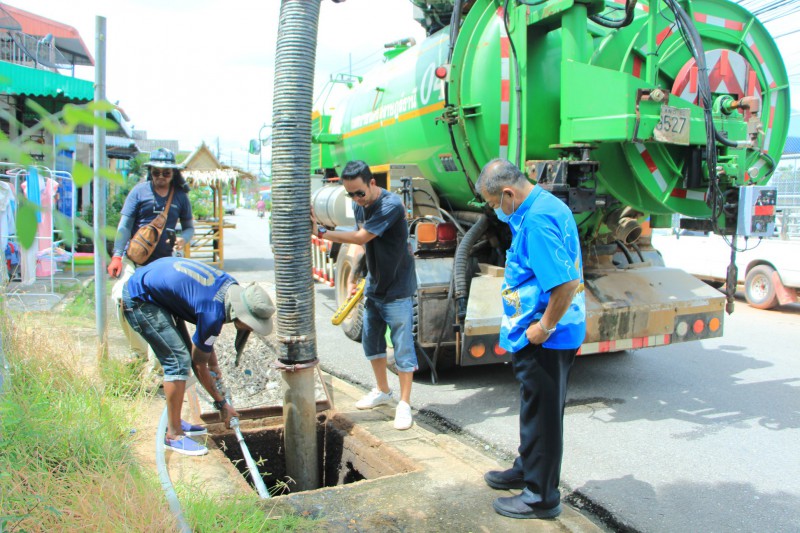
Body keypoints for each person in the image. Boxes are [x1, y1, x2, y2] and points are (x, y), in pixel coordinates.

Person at [476, 159, 586, 520]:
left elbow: (566, 282)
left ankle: (541, 496)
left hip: (546, 337)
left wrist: (545, 326)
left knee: (543, 417)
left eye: (493, 203)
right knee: (534, 408)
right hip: (538, 331)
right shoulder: (540, 205)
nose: (495, 209)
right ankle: (527, 469)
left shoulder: (537, 220)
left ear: (508, 193)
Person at [121, 256, 275, 456]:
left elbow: (205, 340)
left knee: (182, 356)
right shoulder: (213, 312)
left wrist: (214, 366)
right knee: (178, 362)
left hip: (158, 289)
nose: (251, 329)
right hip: (141, 298)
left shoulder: (228, 289)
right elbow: (198, 363)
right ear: (241, 314)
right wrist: (221, 404)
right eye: (252, 324)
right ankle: (173, 435)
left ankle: (174, 421)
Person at [312, 160, 417, 430]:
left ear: (372, 183)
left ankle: (404, 404)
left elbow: (360, 237)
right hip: (374, 286)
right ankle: (383, 391)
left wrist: (322, 232)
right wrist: (356, 277)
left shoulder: (390, 205)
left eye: (360, 192)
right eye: (351, 195)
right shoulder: (360, 205)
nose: (357, 199)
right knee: (371, 342)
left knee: (403, 348)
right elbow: (362, 245)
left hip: (397, 289)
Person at [108, 148, 195, 363]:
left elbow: (189, 227)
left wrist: (184, 239)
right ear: (150, 172)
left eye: (166, 173)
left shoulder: (180, 197)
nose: (161, 177)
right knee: (121, 298)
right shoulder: (139, 192)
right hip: (134, 260)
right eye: (156, 172)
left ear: (173, 173)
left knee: (161, 311)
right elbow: (124, 225)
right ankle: (137, 352)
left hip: (162, 265)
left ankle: (157, 365)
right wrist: (117, 256)